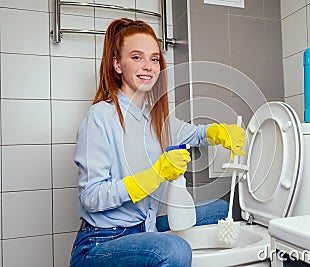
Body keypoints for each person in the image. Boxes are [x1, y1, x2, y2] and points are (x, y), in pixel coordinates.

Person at [70, 18, 245, 267]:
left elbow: (195, 134)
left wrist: (218, 132)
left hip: (145, 226)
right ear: (117, 64)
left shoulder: (155, 118)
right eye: (137, 57)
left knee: (219, 210)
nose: (149, 67)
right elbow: (91, 196)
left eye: (154, 59)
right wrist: (154, 176)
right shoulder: (100, 117)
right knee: (174, 250)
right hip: (102, 241)